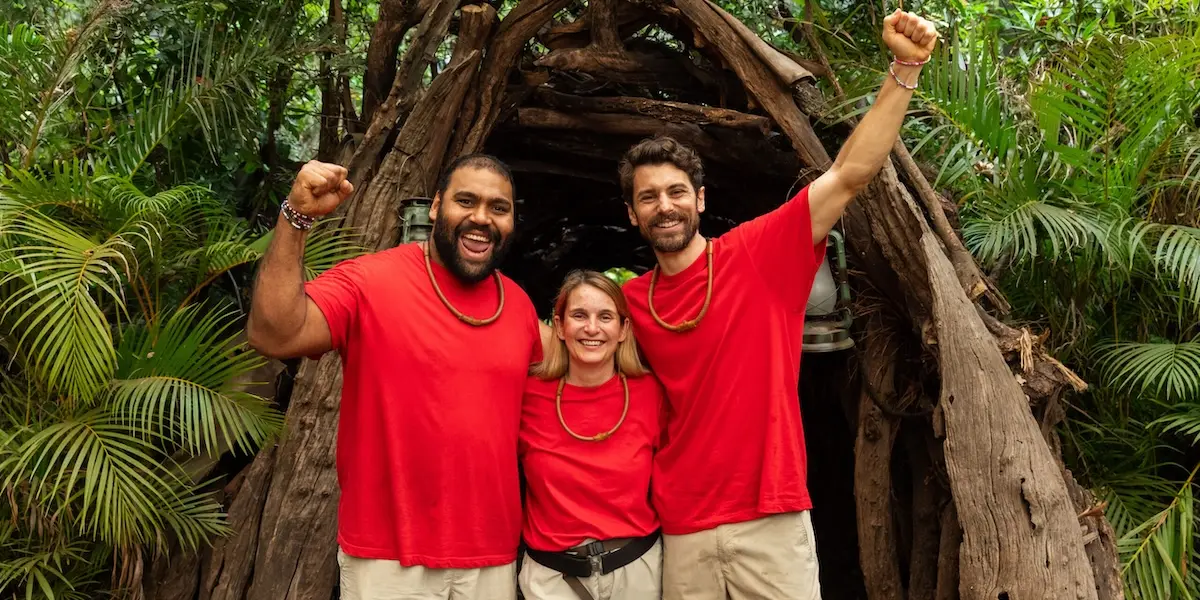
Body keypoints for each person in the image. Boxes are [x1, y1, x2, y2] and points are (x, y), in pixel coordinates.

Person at [616, 10, 939, 600]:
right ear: (632, 214)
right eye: (648, 197)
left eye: (675, 193)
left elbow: (848, 175)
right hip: (681, 527)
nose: (664, 206)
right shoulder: (629, 304)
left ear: (699, 199)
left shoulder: (757, 255)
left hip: (770, 516)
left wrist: (905, 68)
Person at [246, 154, 542, 600]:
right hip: (387, 560)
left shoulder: (519, 307)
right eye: (466, 201)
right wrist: (295, 217)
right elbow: (273, 333)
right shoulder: (371, 280)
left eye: (498, 208)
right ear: (437, 206)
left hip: (492, 559)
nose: (481, 218)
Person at [519, 270, 664, 600]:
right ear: (559, 326)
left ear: (623, 329)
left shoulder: (651, 393)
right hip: (552, 580)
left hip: (636, 571)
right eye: (579, 315)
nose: (592, 328)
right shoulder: (527, 396)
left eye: (606, 316)